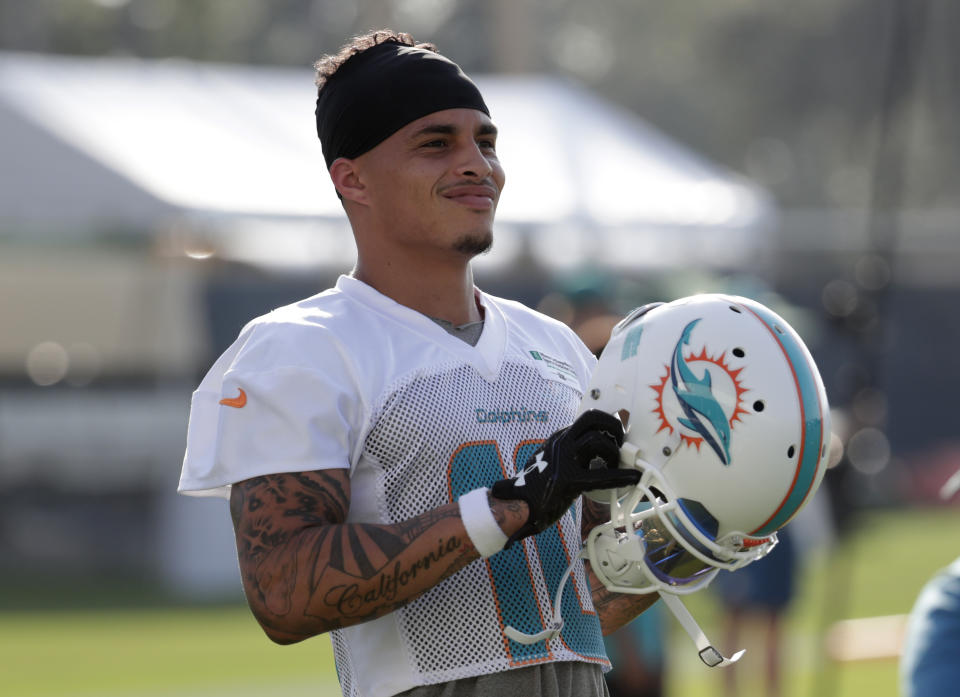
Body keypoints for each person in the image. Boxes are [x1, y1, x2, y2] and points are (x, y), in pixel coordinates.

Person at [178, 29, 656, 697]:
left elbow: (583, 597)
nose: (477, 165)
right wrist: (510, 504)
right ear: (353, 179)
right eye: (437, 143)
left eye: (485, 142)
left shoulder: (556, 345)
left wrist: (708, 523)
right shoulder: (302, 348)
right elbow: (283, 591)